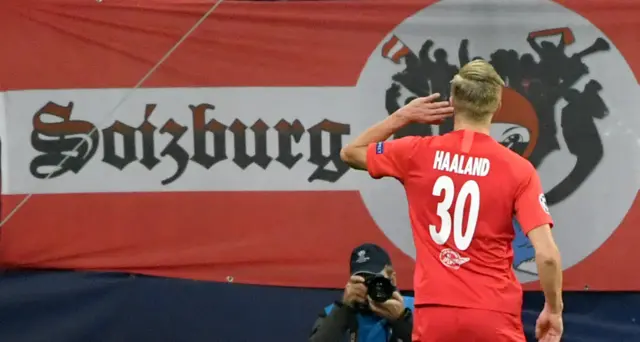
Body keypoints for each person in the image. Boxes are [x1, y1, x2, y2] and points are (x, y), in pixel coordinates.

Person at [340, 60, 563, 342]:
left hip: (435, 314)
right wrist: (553, 310)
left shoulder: (416, 153)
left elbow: (351, 152)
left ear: (452, 100)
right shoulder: (519, 169)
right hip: (493, 314)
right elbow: (548, 256)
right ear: (496, 105)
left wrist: (403, 116)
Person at [308, 243, 414, 342]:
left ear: (392, 279)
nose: (368, 287)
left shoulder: (414, 309)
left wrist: (401, 320)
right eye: (362, 281)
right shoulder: (334, 314)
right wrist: (345, 309)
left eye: (375, 280)